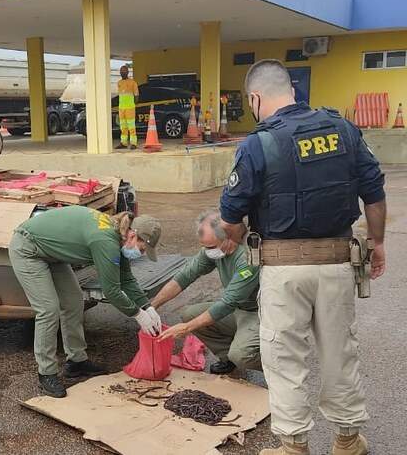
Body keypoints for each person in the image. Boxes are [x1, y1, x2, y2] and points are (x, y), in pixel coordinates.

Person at [219, 59, 386, 455]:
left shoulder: (257, 144)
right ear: (292, 91)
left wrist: (242, 237)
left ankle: (293, 447)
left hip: (283, 270)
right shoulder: (344, 129)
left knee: (284, 358)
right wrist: (378, 243)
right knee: (339, 353)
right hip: (338, 263)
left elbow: (230, 218)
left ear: (256, 98)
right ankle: (347, 442)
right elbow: (375, 192)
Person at [9, 207, 162, 398]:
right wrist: (138, 315)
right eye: (142, 249)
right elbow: (112, 290)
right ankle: (46, 373)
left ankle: (77, 362)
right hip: (28, 248)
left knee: (73, 303)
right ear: (133, 235)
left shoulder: (119, 236)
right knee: (48, 309)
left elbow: (126, 279)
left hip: (52, 254)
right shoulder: (105, 241)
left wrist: (148, 306)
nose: (140, 254)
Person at [152, 209, 261, 374]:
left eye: (211, 246)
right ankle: (228, 358)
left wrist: (186, 328)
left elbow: (227, 303)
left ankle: (277, 368)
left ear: (229, 236)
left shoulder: (248, 256)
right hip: (237, 309)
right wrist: (151, 307)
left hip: (259, 313)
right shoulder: (214, 250)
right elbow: (183, 277)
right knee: (190, 314)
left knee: (242, 354)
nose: (207, 251)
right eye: (205, 247)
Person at [116, 65, 140, 150]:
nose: (122, 73)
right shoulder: (119, 83)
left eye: (124, 71)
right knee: (123, 127)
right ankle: (124, 143)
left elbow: (136, 96)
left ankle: (133, 143)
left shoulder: (132, 83)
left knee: (131, 127)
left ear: (127, 72)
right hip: (121, 108)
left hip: (130, 108)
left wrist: (133, 103)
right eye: (121, 71)